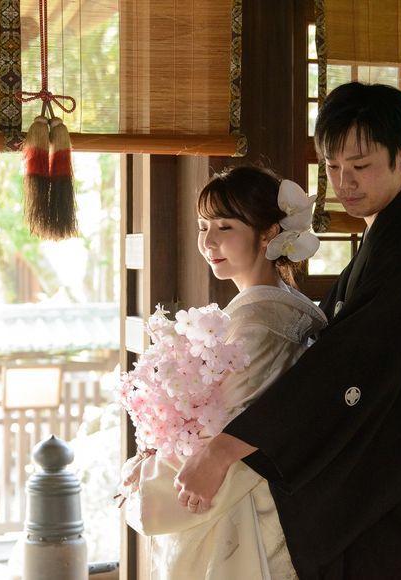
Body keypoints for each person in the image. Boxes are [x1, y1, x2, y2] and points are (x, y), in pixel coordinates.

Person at [175, 81, 401, 579]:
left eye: (361, 165)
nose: (344, 182)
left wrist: (224, 447)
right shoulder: (386, 230)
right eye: (332, 166)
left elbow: (351, 358)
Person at [120, 165, 326, 579]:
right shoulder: (277, 308)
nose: (208, 241)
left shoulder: (260, 325)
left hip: (244, 506)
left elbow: (227, 434)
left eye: (225, 227)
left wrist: (143, 476)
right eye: (203, 227)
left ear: (268, 234)